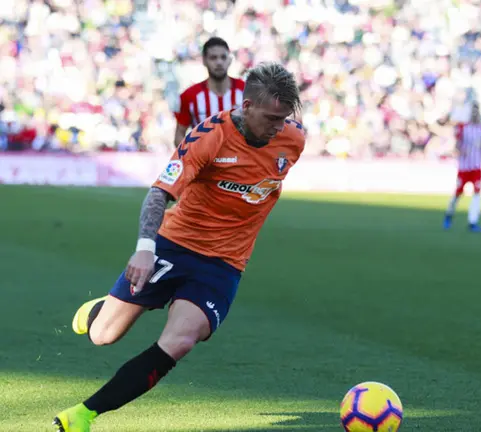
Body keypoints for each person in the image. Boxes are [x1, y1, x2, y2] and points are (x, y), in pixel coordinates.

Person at [53, 62, 305, 432]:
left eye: (284, 119)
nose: (278, 128)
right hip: (174, 246)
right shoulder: (208, 137)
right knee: (103, 336)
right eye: (271, 118)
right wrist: (144, 248)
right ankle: (99, 310)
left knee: (181, 340)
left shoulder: (293, 139)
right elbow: (159, 194)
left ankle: (84, 414)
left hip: (224, 264)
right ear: (246, 105)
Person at [173, 37, 246, 146]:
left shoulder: (246, 90)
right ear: (204, 60)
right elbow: (179, 134)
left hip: (240, 160)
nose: (219, 62)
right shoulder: (190, 95)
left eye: (223, 57)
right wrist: (191, 157)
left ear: (230, 60)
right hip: (204, 162)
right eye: (213, 58)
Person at [443, 102, 481, 232]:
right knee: (458, 193)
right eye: (473, 111)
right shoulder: (462, 127)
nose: (475, 114)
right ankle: (449, 214)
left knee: (477, 193)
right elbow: (457, 144)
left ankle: (473, 221)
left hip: (476, 167)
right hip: (464, 167)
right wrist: (460, 151)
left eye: (476, 111)